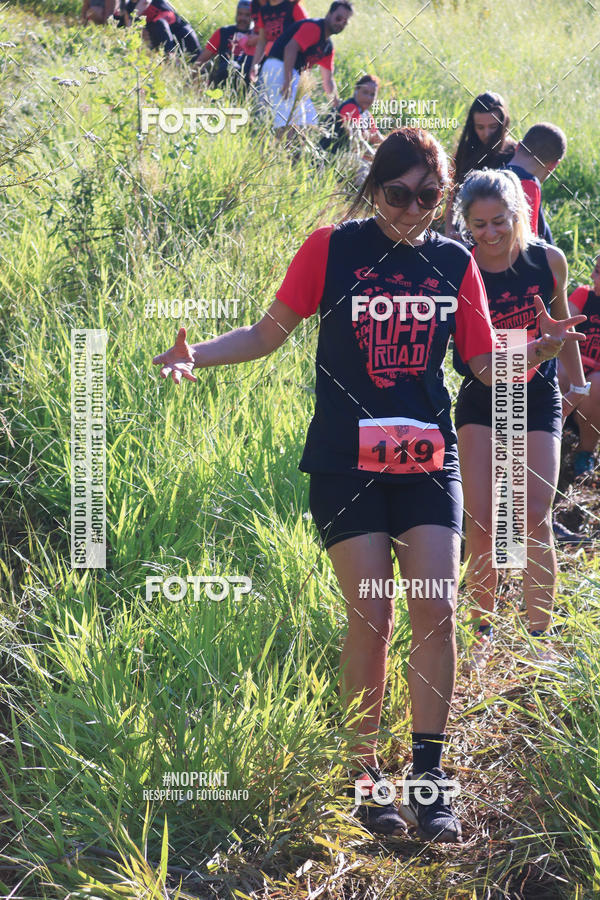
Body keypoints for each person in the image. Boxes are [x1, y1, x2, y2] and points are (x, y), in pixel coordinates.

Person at [151, 128, 578, 842]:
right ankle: (366, 778)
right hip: (347, 466)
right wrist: (197, 354)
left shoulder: (452, 261)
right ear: (374, 188)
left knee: (435, 612)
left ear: (442, 200)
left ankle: (430, 777)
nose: (411, 210)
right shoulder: (332, 249)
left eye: (426, 197)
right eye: (397, 194)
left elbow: (479, 367)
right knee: (372, 620)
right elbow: (267, 333)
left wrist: (535, 351)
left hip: (426, 462)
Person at [452, 168, 587, 670]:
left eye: (500, 221)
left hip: (535, 396)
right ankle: (480, 632)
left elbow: (562, 331)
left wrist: (576, 386)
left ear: (519, 215)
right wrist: (536, 348)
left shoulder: (548, 261)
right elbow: (477, 361)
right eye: (479, 224)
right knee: (484, 520)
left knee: (531, 517)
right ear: (466, 223)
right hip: (481, 395)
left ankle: (538, 636)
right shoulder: (460, 267)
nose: (490, 233)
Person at [259, 1, 352, 137]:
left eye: (345, 22)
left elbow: (328, 80)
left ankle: (290, 155)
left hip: (290, 73)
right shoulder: (314, 27)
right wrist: (287, 80)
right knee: (288, 122)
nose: (341, 23)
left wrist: (337, 107)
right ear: (329, 14)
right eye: (338, 18)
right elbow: (290, 48)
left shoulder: (327, 47)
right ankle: (278, 154)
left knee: (309, 120)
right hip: (279, 67)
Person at [444, 92, 516, 240]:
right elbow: (452, 194)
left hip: (500, 233)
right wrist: (450, 229)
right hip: (463, 230)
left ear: (503, 123)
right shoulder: (465, 151)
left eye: (493, 126)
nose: (487, 133)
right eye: (480, 127)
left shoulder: (513, 153)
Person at [557, 254, 600, 477]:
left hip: (596, 390)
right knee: (562, 368)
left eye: (599, 272)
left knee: (597, 384)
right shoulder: (584, 294)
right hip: (573, 374)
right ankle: (553, 435)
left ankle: (585, 452)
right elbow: (563, 331)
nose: (592, 275)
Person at [505, 122, 567, 245]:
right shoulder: (529, 185)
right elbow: (529, 243)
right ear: (554, 165)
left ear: (518, 146)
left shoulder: (488, 178)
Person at [320, 74, 383, 159]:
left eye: (372, 94)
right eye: (365, 92)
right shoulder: (350, 108)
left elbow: (377, 138)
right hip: (330, 156)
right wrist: (378, 159)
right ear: (356, 90)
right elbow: (357, 141)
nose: (368, 98)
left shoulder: (367, 115)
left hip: (347, 157)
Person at [197, 1, 256, 87]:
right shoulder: (223, 32)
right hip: (222, 73)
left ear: (253, 17)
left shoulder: (257, 36)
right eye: (240, 14)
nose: (242, 18)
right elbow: (202, 59)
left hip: (247, 76)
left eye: (247, 15)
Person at [123, 0, 202, 64]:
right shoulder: (128, 7)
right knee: (159, 23)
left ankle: (202, 73)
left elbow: (145, 2)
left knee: (198, 56)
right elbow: (130, 29)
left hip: (179, 29)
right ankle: (171, 61)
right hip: (161, 37)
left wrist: (134, 15)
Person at [250, 0, 308, 80]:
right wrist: (255, 64)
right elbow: (262, 41)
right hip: (271, 62)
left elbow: (307, 34)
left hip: (292, 64)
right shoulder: (263, 11)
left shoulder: (293, 7)